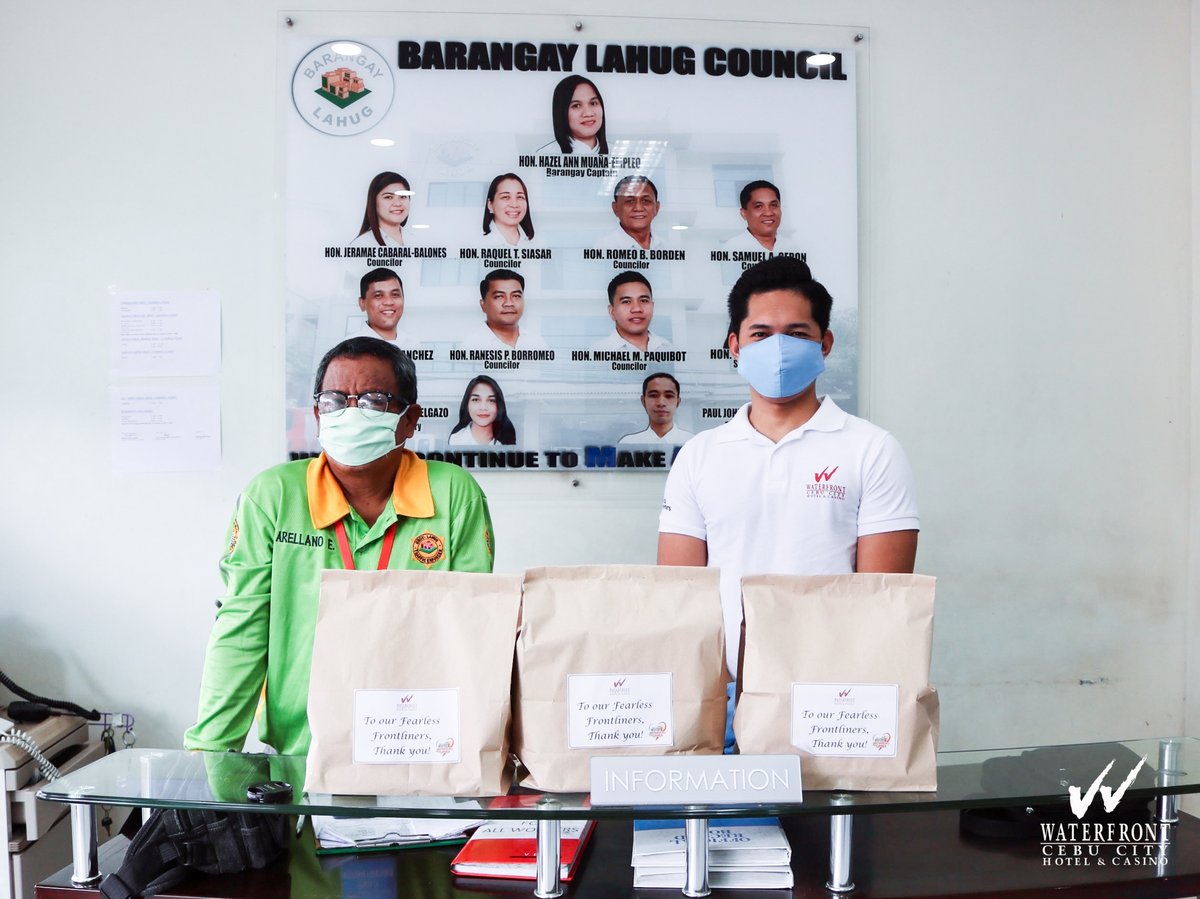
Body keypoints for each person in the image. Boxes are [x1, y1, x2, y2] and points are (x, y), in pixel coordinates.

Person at [185, 338, 494, 755]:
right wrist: (210, 756)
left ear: (409, 420)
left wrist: (475, 749)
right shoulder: (273, 496)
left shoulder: (453, 493)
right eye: (334, 401)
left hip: (417, 740)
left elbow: (471, 631)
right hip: (302, 749)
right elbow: (243, 628)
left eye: (373, 400)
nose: (350, 413)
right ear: (318, 415)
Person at [657, 256, 918, 748]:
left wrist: (843, 690)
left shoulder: (871, 449)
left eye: (797, 334)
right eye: (760, 334)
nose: (778, 348)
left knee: (830, 807)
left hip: (832, 698)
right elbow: (678, 597)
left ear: (825, 344)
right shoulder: (699, 455)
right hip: (722, 697)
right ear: (734, 345)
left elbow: (882, 600)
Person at [463, 269, 548, 351]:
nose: (509, 303)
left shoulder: (537, 343)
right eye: (499, 296)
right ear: (483, 305)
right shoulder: (471, 346)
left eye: (516, 296)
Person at [591, 272, 674, 353]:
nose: (637, 309)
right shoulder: (598, 352)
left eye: (643, 300)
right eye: (626, 301)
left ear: (652, 307)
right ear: (612, 311)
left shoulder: (669, 348)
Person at [722, 180, 804, 258]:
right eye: (758, 206)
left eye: (774, 205)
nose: (768, 213)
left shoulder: (793, 249)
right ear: (744, 213)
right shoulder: (732, 249)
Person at [618, 373, 695, 446]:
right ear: (643, 401)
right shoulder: (627, 444)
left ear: (678, 402)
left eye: (669, 396)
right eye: (653, 395)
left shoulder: (692, 443)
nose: (661, 403)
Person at [595, 176, 663, 252]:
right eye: (630, 201)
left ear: (657, 208)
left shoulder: (667, 246)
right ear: (615, 208)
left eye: (645, 200)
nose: (638, 208)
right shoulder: (604, 248)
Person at [356, 267, 418, 347]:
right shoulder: (348, 348)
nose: (389, 302)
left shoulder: (414, 345)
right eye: (378, 295)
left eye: (395, 294)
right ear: (362, 303)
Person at [448, 375, 517, 446]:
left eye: (491, 400)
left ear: (499, 406)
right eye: (476, 400)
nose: (483, 407)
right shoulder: (455, 441)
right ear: (467, 405)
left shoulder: (507, 444)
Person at [548, 75, 608, 155]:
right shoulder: (544, 155)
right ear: (561, 111)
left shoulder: (619, 154)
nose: (588, 113)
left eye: (593, 103)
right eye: (576, 106)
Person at [350, 171, 413, 247]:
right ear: (373, 201)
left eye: (403, 196)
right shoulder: (361, 245)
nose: (398, 203)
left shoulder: (417, 238)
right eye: (388, 197)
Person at [481, 173, 536, 247]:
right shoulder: (478, 246)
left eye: (520, 197)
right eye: (505, 197)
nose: (514, 205)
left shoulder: (539, 245)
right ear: (490, 205)